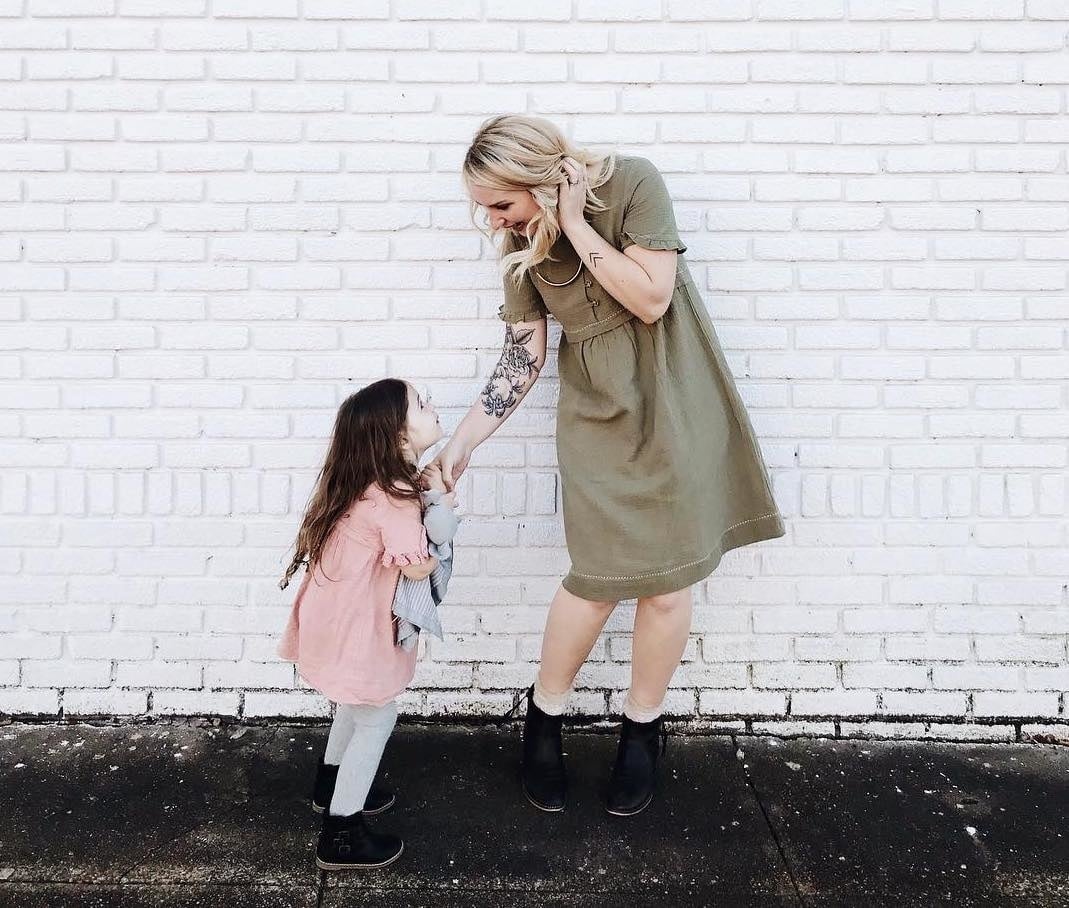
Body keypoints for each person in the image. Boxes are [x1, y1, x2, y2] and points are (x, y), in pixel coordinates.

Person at [431, 114, 785, 816]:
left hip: (676, 398)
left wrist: (577, 226)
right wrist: (464, 441)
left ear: (537, 177)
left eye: (500, 202)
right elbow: (522, 356)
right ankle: (543, 714)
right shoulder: (518, 242)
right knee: (594, 583)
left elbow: (651, 299)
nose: (491, 220)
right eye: (483, 208)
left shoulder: (633, 183)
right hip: (597, 414)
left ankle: (641, 729)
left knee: (666, 586)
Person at [277, 378, 456, 868]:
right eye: (421, 403)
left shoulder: (367, 484)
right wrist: (440, 504)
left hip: (332, 620)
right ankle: (342, 834)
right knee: (377, 714)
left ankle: (331, 784)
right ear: (398, 437)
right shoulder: (395, 499)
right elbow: (420, 565)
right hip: (358, 630)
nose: (432, 403)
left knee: (354, 705)